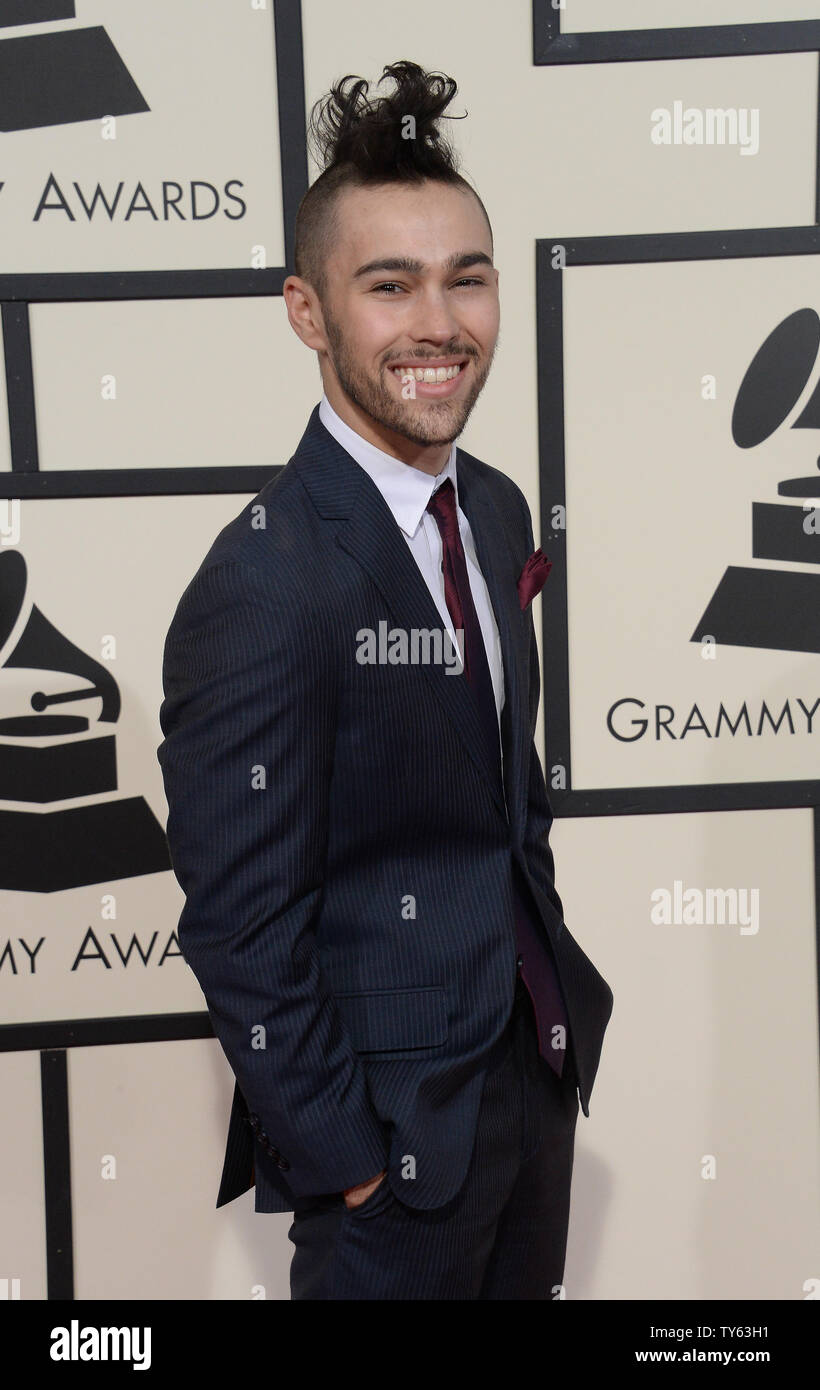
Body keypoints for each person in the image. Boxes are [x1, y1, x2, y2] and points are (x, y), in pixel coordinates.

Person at [156, 59, 613, 1300]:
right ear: (308, 312)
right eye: (389, 284)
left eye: (467, 277)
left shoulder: (500, 507)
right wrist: (351, 1159)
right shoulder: (265, 582)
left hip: (527, 1091)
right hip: (395, 1159)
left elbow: (498, 803)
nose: (440, 322)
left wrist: (545, 1042)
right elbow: (237, 924)